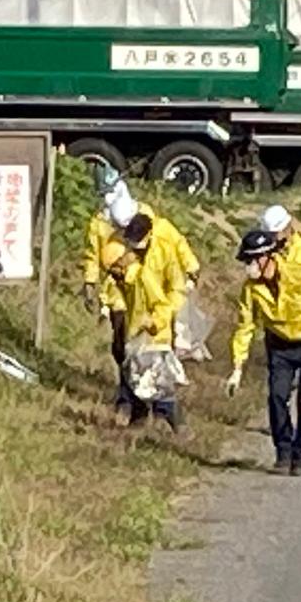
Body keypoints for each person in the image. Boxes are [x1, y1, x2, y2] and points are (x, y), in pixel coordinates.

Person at [226, 215, 301, 475]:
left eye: (252, 260)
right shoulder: (251, 289)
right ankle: (283, 451)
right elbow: (246, 326)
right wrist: (237, 366)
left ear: (267, 256)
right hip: (279, 345)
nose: (249, 267)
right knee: (277, 397)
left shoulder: (300, 275)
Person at [81, 163, 200, 405]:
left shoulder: (146, 216)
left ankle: (158, 395)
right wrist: (90, 282)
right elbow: (93, 255)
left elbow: (175, 241)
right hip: (118, 290)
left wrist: (191, 267)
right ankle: (128, 393)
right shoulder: (99, 224)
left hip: (151, 287)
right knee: (122, 342)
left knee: (154, 341)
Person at [103, 212, 188, 431]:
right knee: (132, 366)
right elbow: (116, 287)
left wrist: (161, 318)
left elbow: (174, 288)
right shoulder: (128, 260)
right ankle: (136, 412)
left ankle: (166, 417)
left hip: (159, 320)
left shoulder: (163, 252)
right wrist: (112, 305)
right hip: (136, 322)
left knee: (159, 371)